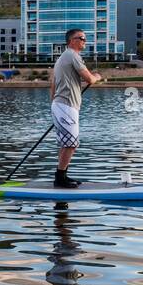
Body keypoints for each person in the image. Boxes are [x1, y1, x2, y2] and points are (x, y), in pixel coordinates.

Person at [51, 28, 104, 188]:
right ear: (72, 40)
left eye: (85, 38)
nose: (84, 41)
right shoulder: (72, 55)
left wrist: (54, 105)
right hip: (66, 105)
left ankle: (62, 176)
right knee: (71, 144)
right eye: (81, 38)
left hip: (62, 105)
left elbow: (53, 84)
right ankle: (60, 179)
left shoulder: (63, 57)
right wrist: (97, 76)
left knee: (66, 143)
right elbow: (89, 79)